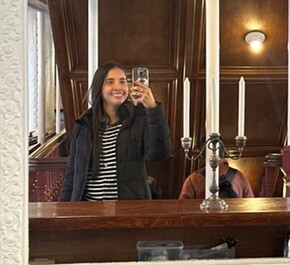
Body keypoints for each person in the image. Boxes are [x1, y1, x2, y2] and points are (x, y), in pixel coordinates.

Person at [59, 61, 171, 201]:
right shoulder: (84, 125)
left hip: (127, 211)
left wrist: (152, 108)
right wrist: (62, 210)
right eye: (110, 82)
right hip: (89, 210)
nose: (118, 87)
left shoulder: (138, 118)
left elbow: (159, 154)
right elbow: (72, 173)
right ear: (99, 87)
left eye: (122, 82)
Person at [179, 157, 254, 199]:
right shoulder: (240, 176)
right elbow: (251, 206)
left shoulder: (192, 179)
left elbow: (183, 209)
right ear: (223, 152)